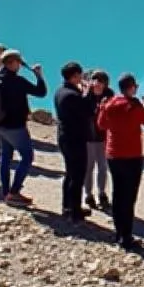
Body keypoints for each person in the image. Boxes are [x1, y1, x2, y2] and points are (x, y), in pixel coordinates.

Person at [96, 73, 144, 251]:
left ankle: (119, 232)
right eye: (135, 86)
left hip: (113, 155)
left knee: (118, 194)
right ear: (130, 88)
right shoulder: (134, 105)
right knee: (129, 198)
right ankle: (127, 237)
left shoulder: (110, 103)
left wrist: (102, 108)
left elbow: (101, 125)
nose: (136, 88)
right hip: (131, 156)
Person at [0, 49, 47, 206]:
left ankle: (6, 192)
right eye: (19, 62)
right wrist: (38, 75)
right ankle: (14, 192)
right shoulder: (17, 81)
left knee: (5, 156)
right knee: (27, 157)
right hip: (15, 125)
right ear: (13, 63)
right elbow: (41, 92)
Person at [54, 62, 94, 222]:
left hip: (66, 137)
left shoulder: (61, 91)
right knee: (77, 175)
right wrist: (88, 93)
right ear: (74, 76)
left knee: (70, 173)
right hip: (74, 138)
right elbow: (87, 111)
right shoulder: (71, 95)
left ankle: (67, 206)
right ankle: (75, 211)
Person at [83, 70, 114, 211]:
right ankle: (88, 194)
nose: (98, 84)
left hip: (103, 138)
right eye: (96, 80)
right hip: (88, 137)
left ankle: (102, 193)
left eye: (102, 81)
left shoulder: (109, 96)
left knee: (102, 167)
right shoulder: (86, 96)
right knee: (88, 168)